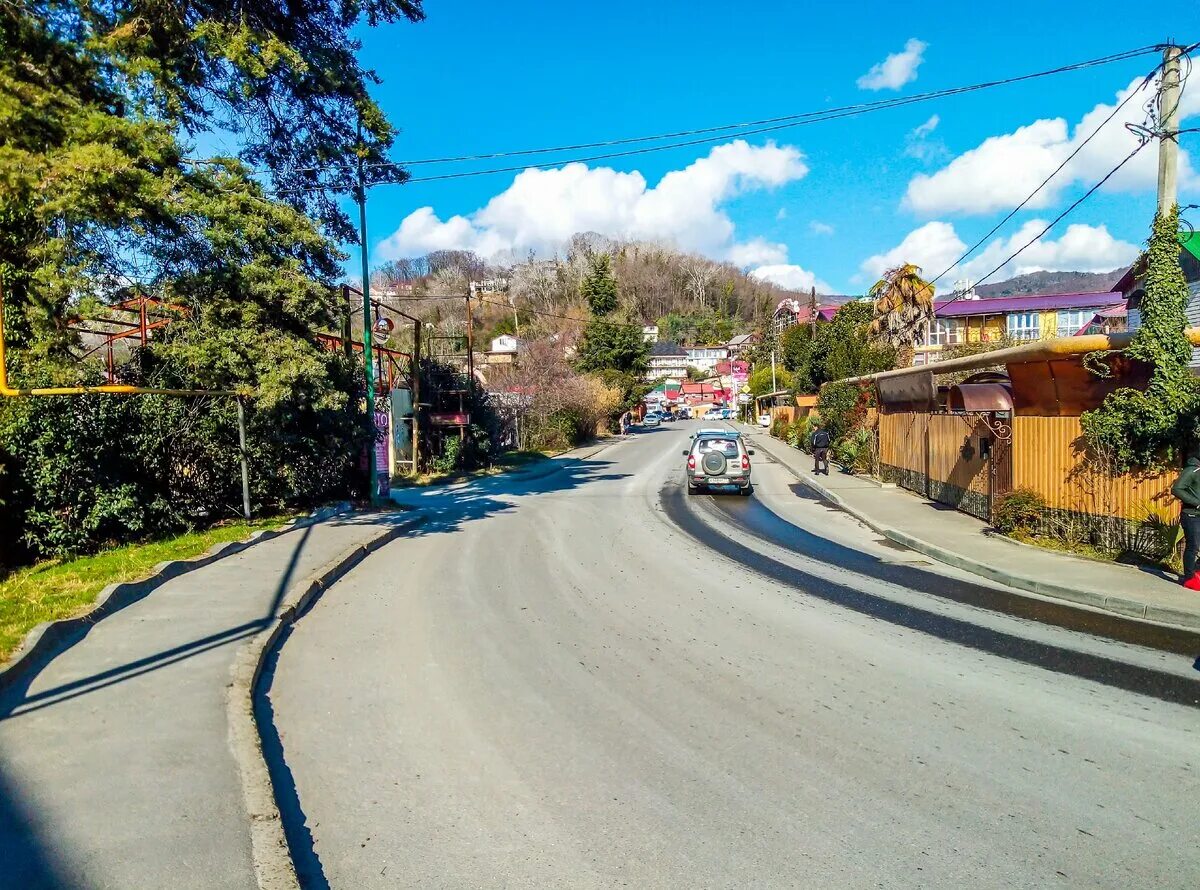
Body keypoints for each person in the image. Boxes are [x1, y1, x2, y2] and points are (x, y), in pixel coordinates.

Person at [1171, 453, 1200, 583]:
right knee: (1193, 546)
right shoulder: (1191, 470)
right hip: (1191, 515)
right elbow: (1177, 489)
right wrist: (1197, 503)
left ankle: (1196, 573)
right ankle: (1189, 579)